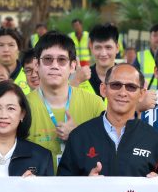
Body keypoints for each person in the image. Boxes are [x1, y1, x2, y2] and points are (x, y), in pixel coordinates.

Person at [58, 63, 158, 177]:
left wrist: (157, 184)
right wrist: (86, 183)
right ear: (103, 89)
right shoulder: (79, 137)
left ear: (141, 94)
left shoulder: (155, 140)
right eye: (115, 85)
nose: (122, 93)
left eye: (131, 87)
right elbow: (62, 185)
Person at [27, 31, 105, 170]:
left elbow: (107, 151)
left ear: (73, 66)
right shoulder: (22, 105)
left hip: (83, 181)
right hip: (36, 182)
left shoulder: (95, 104)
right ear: (36, 64)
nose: (54, 65)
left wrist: (77, 136)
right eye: (48, 59)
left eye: (62, 60)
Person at [133, 23, 158, 91]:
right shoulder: (140, 56)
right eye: (155, 35)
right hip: (145, 96)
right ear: (150, 38)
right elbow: (132, 79)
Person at [0, 28, 29, 94]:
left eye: (11, 45)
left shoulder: (29, 75)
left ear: (18, 49)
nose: (6, 49)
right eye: (1, 45)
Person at [88, 23, 120, 98]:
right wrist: (76, 82)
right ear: (91, 48)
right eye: (98, 47)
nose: (103, 53)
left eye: (108, 47)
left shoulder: (128, 77)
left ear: (117, 48)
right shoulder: (81, 79)